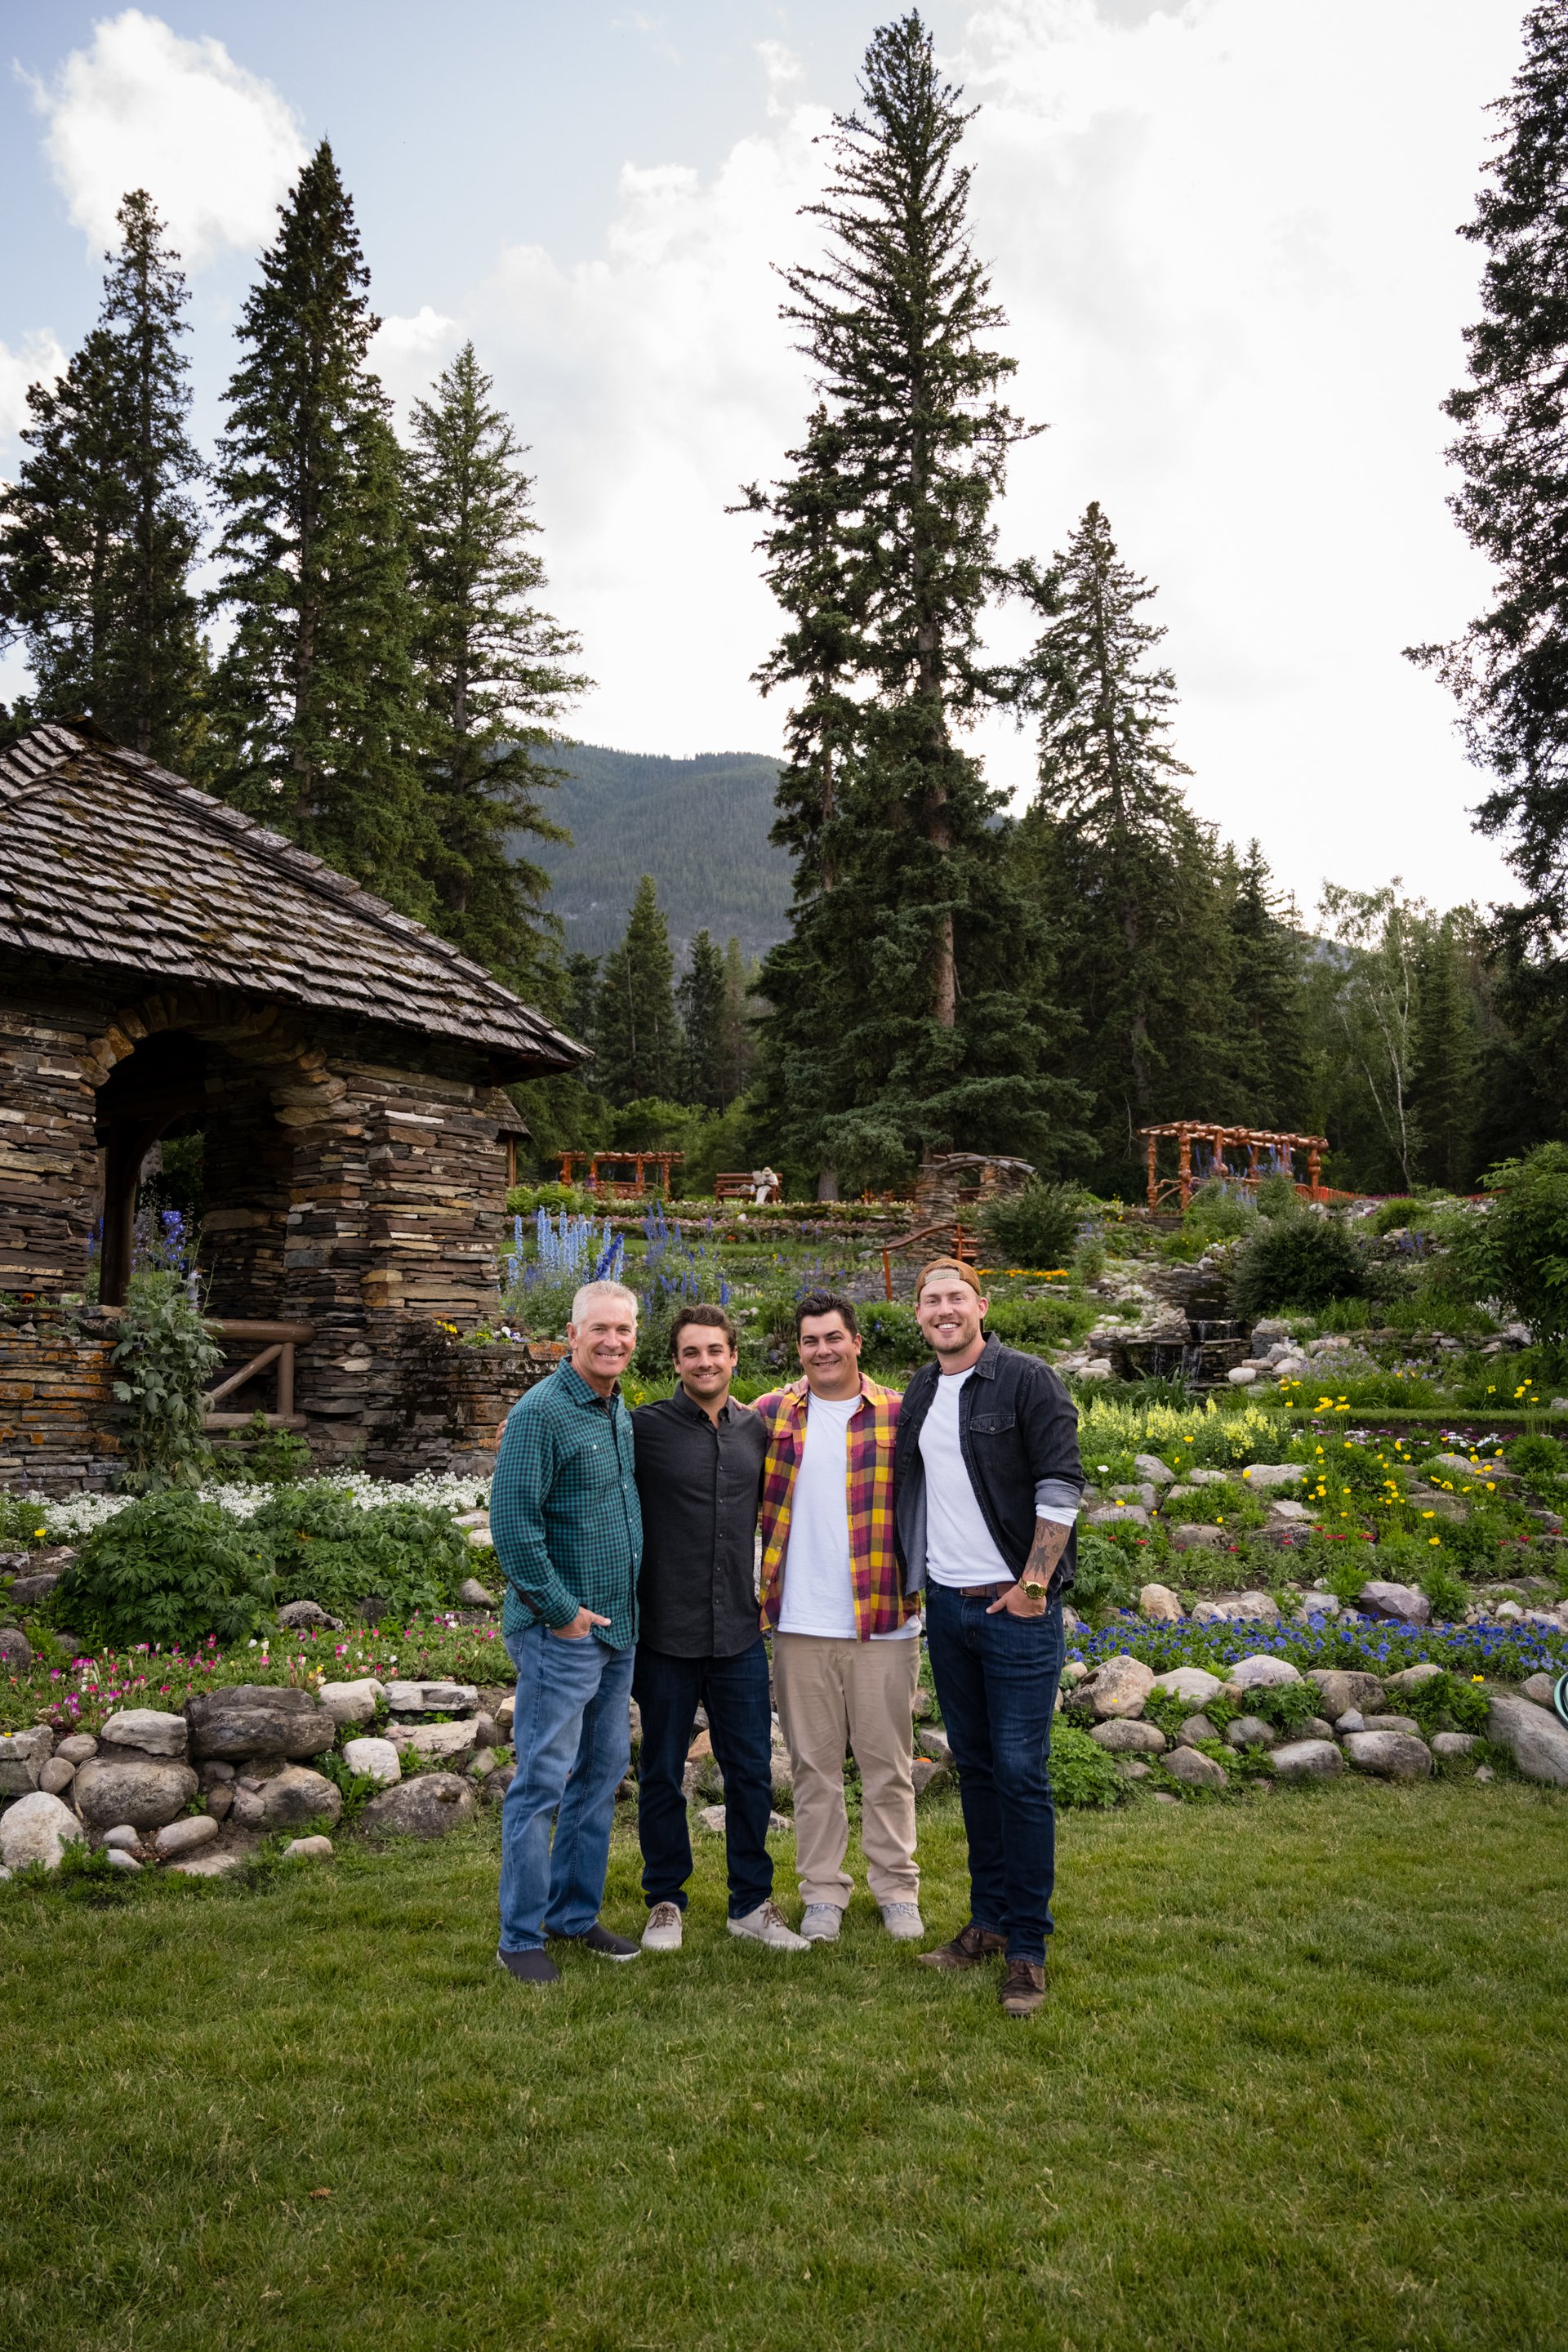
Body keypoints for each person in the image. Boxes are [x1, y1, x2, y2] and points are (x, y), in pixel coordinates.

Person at [893, 1258, 1084, 2018]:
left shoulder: (1029, 1380)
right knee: (975, 1769)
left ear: (981, 1306)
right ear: (918, 1314)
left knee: (1020, 1772)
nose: (944, 1310)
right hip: (947, 1606)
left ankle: (1029, 1949)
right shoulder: (918, 1390)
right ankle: (989, 1923)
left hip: (1016, 1612)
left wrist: (1035, 1585)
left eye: (955, 1298)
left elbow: (1061, 1484)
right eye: (931, 1300)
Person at [630, 1305, 808, 1953]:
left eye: (715, 1350)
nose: (704, 1362)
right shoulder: (641, 1429)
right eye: (691, 1352)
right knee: (661, 1774)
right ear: (675, 1362)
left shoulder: (755, 1431)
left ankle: (751, 1904)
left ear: (734, 1357)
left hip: (737, 1631)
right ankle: (665, 1902)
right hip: (665, 1633)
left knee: (751, 1773)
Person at [754, 1290, 923, 1944]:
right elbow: (702, 1422)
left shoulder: (900, 1414)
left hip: (884, 1622)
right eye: (809, 1341)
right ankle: (823, 1891)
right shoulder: (771, 1414)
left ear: (856, 1342)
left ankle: (896, 1890)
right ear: (798, 1349)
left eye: (833, 1338)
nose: (822, 1350)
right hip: (799, 1626)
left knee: (888, 1768)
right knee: (814, 1771)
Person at [489, 1278, 644, 1985]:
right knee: (542, 1784)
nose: (614, 1341)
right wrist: (563, 1614)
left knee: (600, 1776)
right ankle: (520, 1936)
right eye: (601, 1329)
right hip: (563, 1635)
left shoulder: (615, 1409)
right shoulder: (541, 1415)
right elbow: (513, 1531)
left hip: (618, 1631)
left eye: (626, 1330)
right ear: (573, 1334)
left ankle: (573, 1916)